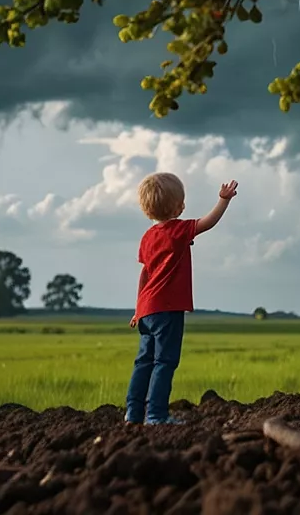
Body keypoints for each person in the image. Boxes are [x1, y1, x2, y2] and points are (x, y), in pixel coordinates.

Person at [124, 171, 238, 425]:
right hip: (167, 310)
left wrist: (138, 308)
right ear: (178, 206)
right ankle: (155, 414)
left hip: (147, 309)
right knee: (164, 362)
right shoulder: (179, 230)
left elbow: (145, 274)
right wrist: (224, 200)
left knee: (144, 361)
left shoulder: (148, 237)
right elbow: (208, 222)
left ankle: (132, 413)